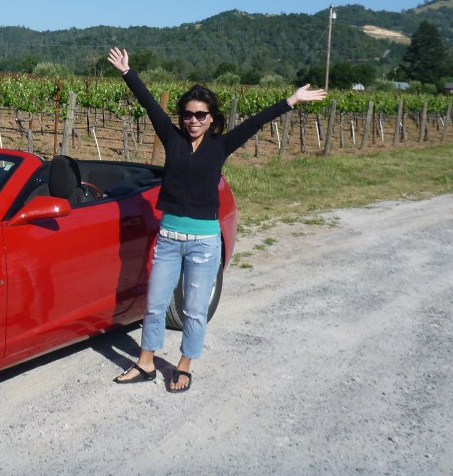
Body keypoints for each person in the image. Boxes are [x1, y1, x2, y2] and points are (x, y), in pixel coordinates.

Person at [107, 47, 326, 392]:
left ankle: (184, 364)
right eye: (188, 114)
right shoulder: (172, 139)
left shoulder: (220, 146)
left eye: (201, 115)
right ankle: (146, 363)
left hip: (204, 244)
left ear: (212, 118)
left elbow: (256, 122)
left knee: (194, 310)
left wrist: (292, 100)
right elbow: (149, 104)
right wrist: (127, 72)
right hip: (169, 238)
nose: (193, 120)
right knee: (155, 305)